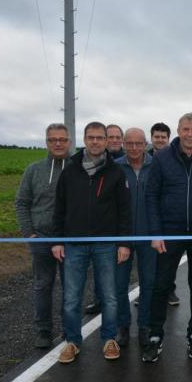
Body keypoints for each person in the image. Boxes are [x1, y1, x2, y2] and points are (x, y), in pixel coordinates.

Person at [142, 112, 192, 363]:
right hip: (169, 232)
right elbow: (152, 196)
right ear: (178, 130)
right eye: (185, 129)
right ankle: (155, 337)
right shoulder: (162, 157)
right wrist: (156, 233)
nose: (189, 134)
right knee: (161, 285)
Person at [51, 121, 131, 363]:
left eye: (100, 137)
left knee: (109, 295)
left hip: (106, 244)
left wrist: (124, 243)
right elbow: (60, 209)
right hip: (74, 244)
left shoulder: (116, 172)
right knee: (72, 296)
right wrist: (57, 241)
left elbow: (124, 211)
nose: (95, 141)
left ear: (107, 141)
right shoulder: (70, 170)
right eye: (91, 137)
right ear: (84, 140)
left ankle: (109, 338)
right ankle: (72, 342)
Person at [15, 123, 70, 348]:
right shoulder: (34, 170)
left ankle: (70, 328)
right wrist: (29, 232)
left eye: (62, 139)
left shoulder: (77, 168)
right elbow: (22, 202)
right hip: (41, 238)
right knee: (43, 284)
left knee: (71, 286)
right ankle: (43, 330)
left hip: (70, 239)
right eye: (52, 139)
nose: (57, 143)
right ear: (46, 142)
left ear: (68, 141)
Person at [114, 128, 156, 347]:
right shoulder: (114, 167)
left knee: (148, 283)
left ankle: (144, 325)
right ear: (123, 143)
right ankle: (123, 326)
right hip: (122, 237)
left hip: (150, 236)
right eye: (129, 143)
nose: (134, 147)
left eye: (138, 143)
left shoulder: (156, 166)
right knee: (119, 285)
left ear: (146, 144)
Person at [83, 123, 126, 315]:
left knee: (115, 274)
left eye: (118, 137)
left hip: (119, 226)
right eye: (112, 137)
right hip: (99, 229)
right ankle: (99, 299)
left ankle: (114, 310)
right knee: (101, 271)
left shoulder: (122, 163)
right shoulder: (99, 162)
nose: (115, 140)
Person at [146, 122, 180, 307]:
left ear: (168, 138)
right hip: (150, 213)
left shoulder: (174, 158)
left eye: (163, 137)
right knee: (150, 260)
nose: (159, 140)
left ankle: (170, 290)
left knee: (169, 259)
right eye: (156, 137)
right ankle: (149, 293)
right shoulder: (145, 158)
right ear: (151, 139)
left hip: (169, 217)